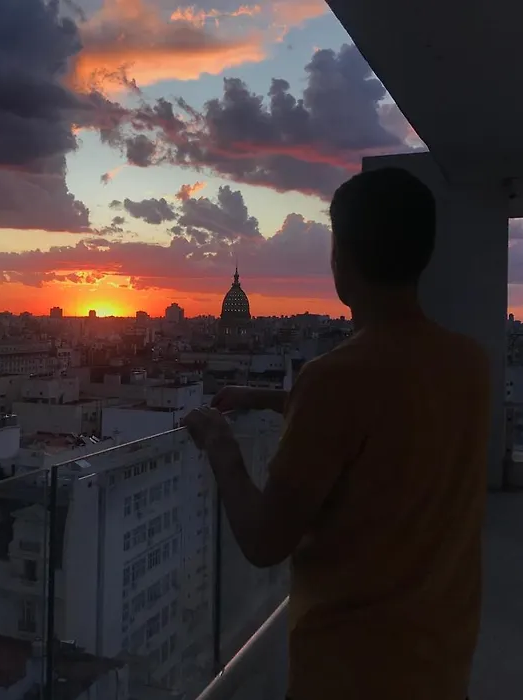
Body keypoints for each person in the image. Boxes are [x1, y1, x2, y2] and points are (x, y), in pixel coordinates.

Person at [184, 167, 489, 700]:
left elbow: (264, 540)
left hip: (351, 669)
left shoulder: (335, 379)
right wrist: (268, 398)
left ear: (340, 260)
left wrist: (220, 443)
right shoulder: (469, 363)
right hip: (442, 659)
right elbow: (387, 422)